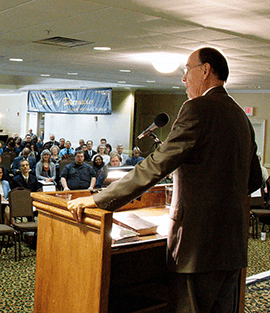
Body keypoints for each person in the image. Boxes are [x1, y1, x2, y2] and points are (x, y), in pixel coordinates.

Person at [68, 47, 262, 313]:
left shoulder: (197, 109)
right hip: (232, 247)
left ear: (205, 70)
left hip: (197, 248)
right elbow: (254, 180)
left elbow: (156, 164)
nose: (183, 79)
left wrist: (100, 198)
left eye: (186, 70)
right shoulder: (241, 116)